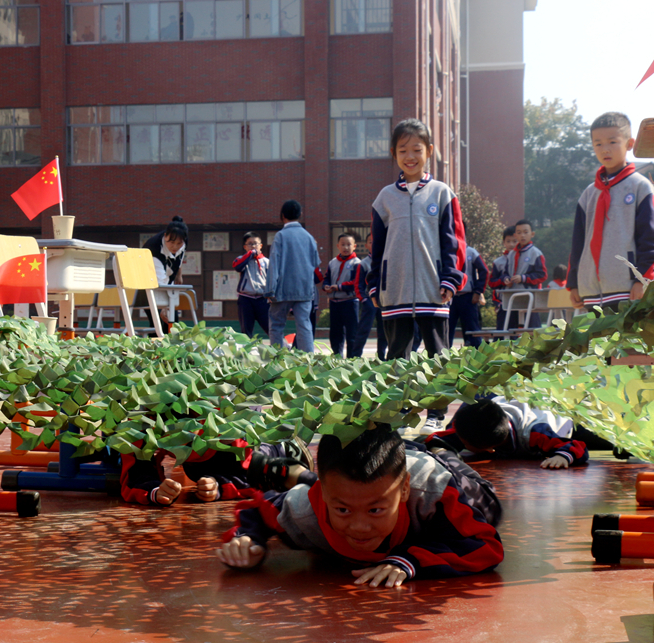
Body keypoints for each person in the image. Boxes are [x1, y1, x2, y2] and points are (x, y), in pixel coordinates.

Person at [215, 427, 503, 587]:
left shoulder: (434, 491)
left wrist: (411, 561)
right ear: (323, 495)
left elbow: (485, 546)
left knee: (489, 506)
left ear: (404, 490)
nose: (359, 527)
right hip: (367, 473)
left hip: (435, 468)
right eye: (342, 510)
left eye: (375, 510)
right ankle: (303, 477)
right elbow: (258, 509)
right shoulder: (305, 509)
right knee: (350, 487)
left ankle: (440, 450)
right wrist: (248, 540)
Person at [367, 118, 466, 429]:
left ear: (430, 151)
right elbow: (377, 248)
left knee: (438, 357)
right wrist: (374, 286)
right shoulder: (384, 198)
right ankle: (397, 413)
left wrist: (450, 278)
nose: (410, 156)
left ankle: (436, 415)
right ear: (394, 154)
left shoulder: (441, 193)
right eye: (403, 150)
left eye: (417, 149)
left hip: (432, 291)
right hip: (394, 292)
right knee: (396, 357)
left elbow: (454, 241)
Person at [567, 112, 654, 311]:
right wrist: (573, 282)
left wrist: (643, 279)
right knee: (596, 342)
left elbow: (649, 239)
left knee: (628, 342)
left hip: (628, 289)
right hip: (590, 291)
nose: (605, 149)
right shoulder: (588, 194)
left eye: (612, 142)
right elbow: (578, 243)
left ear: (630, 143)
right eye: (598, 144)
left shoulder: (640, 187)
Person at [119, 437, 313, 506]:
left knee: (260, 464)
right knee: (200, 473)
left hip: (228, 448)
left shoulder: (224, 419)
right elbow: (134, 474)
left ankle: (284, 447)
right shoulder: (139, 417)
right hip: (199, 460)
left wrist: (218, 487)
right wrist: (154, 491)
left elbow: (249, 470)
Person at [424, 398, 588, 469]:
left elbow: (576, 447)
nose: (459, 442)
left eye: (464, 444)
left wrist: (562, 457)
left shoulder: (534, 433)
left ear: (487, 449)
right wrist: (441, 452)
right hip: (505, 403)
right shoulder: (474, 427)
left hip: (556, 411)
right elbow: (437, 439)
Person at [265, 200, 320, 353]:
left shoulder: (281, 236)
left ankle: (279, 358)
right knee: (304, 325)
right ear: (300, 215)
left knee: (276, 324)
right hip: (304, 289)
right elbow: (316, 263)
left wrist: (270, 290)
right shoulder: (309, 237)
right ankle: (308, 360)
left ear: (282, 216)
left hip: (283, 289)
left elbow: (274, 264)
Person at [141, 217, 188, 334]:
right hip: (149, 285)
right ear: (165, 236)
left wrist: (178, 274)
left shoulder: (184, 240)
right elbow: (159, 282)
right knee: (157, 322)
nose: (175, 246)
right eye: (171, 242)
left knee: (173, 321)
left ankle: (173, 348)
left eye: (179, 243)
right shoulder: (153, 248)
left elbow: (181, 256)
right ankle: (155, 349)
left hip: (167, 283)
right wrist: (162, 308)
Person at [322, 233, 362, 357]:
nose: (346, 247)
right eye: (343, 244)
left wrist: (339, 287)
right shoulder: (333, 262)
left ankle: (352, 359)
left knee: (352, 333)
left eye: (349, 244)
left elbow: (356, 282)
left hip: (350, 302)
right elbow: (327, 278)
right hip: (334, 303)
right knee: (335, 333)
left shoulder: (357, 263)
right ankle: (337, 357)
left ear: (354, 246)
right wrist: (326, 286)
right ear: (337, 246)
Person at [501, 219, 547, 329]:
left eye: (526, 232)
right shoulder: (511, 254)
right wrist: (506, 279)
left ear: (532, 234)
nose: (522, 235)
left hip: (529, 296)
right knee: (510, 327)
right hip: (512, 296)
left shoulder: (536, 253)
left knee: (532, 327)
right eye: (519, 232)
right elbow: (506, 272)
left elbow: (542, 275)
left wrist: (524, 278)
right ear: (515, 235)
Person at [448, 226, 488, 348]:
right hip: (450, 297)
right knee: (447, 329)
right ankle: (444, 356)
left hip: (468, 297)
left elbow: (484, 271)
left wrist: (478, 291)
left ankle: (476, 356)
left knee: (472, 329)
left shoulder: (471, 252)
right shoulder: (447, 252)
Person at [352, 233, 385, 359]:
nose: (374, 244)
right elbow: (358, 285)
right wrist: (364, 300)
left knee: (384, 331)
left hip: (384, 301)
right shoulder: (363, 264)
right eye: (370, 242)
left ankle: (381, 357)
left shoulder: (386, 261)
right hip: (369, 302)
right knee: (363, 330)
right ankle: (355, 357)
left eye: (376, 241)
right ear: (366, 245)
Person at [232, 232, 270, 338]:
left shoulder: (267, 262)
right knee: (246, 329)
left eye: (255, 243)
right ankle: (247, 351)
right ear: (245, 247)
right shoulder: (241, 259)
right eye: (250, 244)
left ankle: (279, 348)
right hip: (246, 299)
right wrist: (250, 254)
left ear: (261, 246)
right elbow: (237, 267)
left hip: (263, 299)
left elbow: (273, 280)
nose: (253, 246)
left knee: (270, 327)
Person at [488, 226, 518, 330]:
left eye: (514, 241)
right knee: (502, 331)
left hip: (522, 302)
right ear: (504, 243)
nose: (511, 244)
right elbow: (491, 283)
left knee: (521, 333)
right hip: (503, 303)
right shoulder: (498, 262)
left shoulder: (525, 260)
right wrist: (502, 281)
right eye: (508, 241)